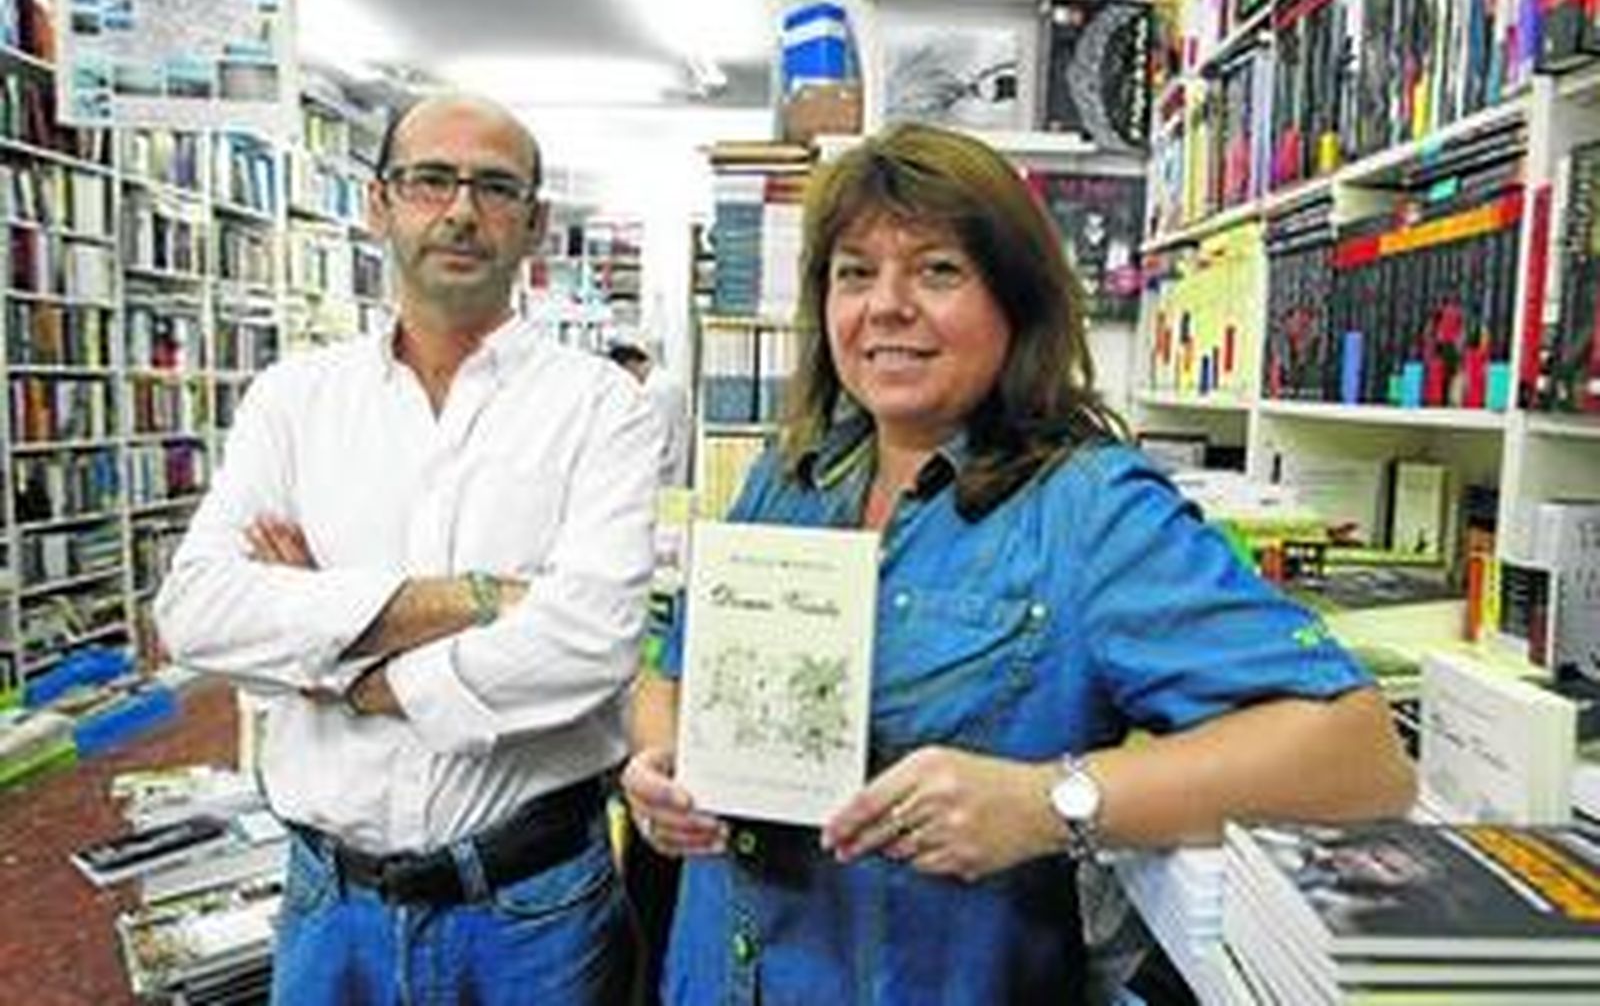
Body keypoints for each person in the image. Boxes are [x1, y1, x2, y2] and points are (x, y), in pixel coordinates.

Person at [621, 122, 1416, 1005]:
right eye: (855, 272)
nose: (886, 305)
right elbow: (672, 677)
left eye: (937, 270)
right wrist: (658, 760)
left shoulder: (1089, 508)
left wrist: (1047, 804)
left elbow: (1358, 755)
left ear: (1016, 300)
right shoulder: (791, 474)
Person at [155, 94, 660, 1005]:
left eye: (495, 187)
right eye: (431, 180)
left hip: (533, 912)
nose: (461, 210)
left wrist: (335, 660)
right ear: (379, 203)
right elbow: (193, 613)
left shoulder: (603, 407)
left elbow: (591, 643)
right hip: (328, 912)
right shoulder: (293, 400)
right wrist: (480, 596)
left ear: (535, 223)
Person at [608, 339, 692, 487]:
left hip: (662, 474)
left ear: (630, 365)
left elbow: (655, 439)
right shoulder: (665, 382)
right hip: (667, 470)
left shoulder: (658, 390)